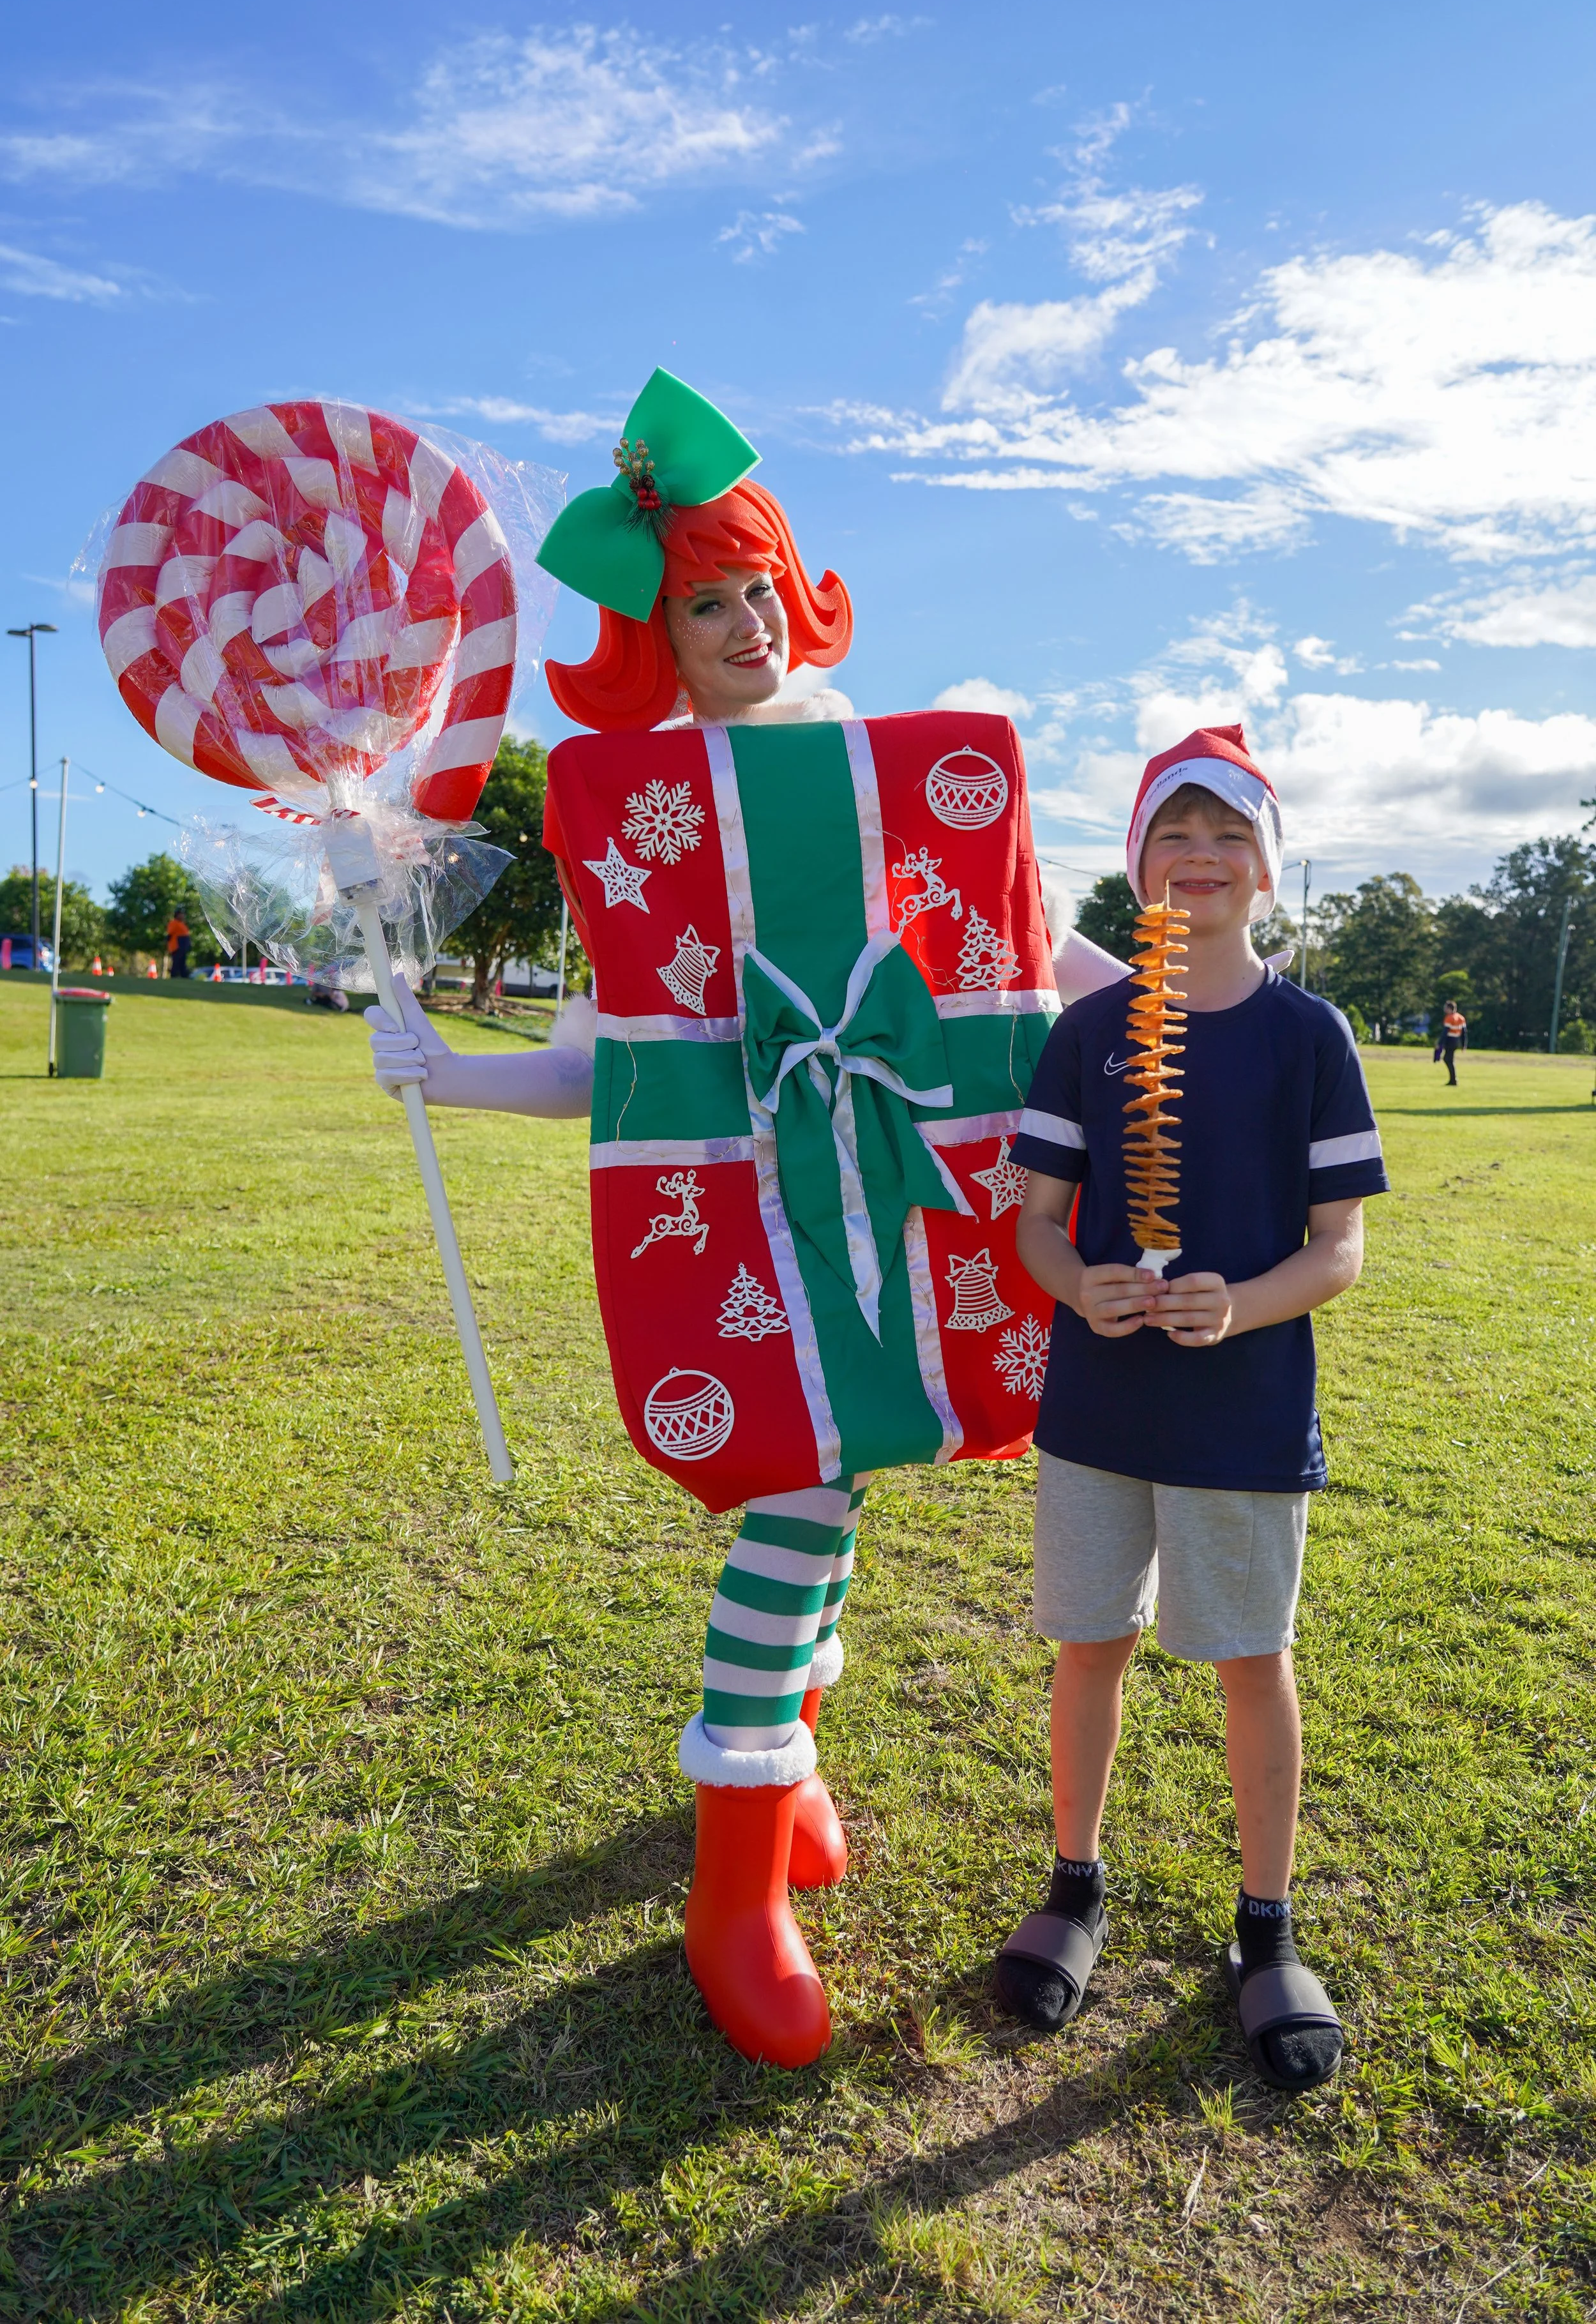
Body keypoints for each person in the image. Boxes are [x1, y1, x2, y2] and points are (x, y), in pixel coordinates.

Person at [368, 369, 1123, 2071]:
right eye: (701, 600)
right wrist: (441, 1070)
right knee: (787, 1494)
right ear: (658, 635)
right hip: (741, 1229)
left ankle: (784, 1771)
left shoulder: (910, 777)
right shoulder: (640, 819)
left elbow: (1026, 952)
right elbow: (608, 1062)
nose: (741, 621)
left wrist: (1181, 1018)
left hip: (898, 1202)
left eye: (754, 583)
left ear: (798, 587)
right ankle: (731, 1864)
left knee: (836, 1477)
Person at [997, 723, 1389, 2094]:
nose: (1201, 857)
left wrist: (1241, 1301)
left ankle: (1264, 1930)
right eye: (1175, 834)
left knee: (1246, 1656)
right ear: (1136, 868)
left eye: (1229, 836)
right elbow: (1036, 1226)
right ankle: (1072, 1883)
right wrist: (1076, 1284)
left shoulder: (1306, 1035)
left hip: (1239, 1413)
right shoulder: (1088, 1034)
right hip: (1098, 1406)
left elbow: (1334, 1247)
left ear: (1266, 871)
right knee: (1087, 1641)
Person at [1434, 997, 1466, 1085]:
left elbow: (1445, 1033)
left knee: (1448, 1060)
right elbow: (1464, 1033)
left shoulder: (1449, 1018)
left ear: (1449, 1009)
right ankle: (1453, 1080)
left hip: (1450, 1040)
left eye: (1446, 1008)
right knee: (1449, 1059)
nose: (1445, 1009)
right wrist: (1464, 1045)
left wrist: (1440, 1044)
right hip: (1456, 1041)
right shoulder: (1461, 1018)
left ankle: (1453, 1080)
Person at [166, 909, 191, 978]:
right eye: (182, 914)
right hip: (177, 945)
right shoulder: (174, 923)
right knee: (177, 961)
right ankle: (174, 975)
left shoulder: (182, 924)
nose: (183, 916)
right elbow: (170, 934)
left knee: (183, 961)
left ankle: (184, 975)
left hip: (184, 945)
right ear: (177, 915)